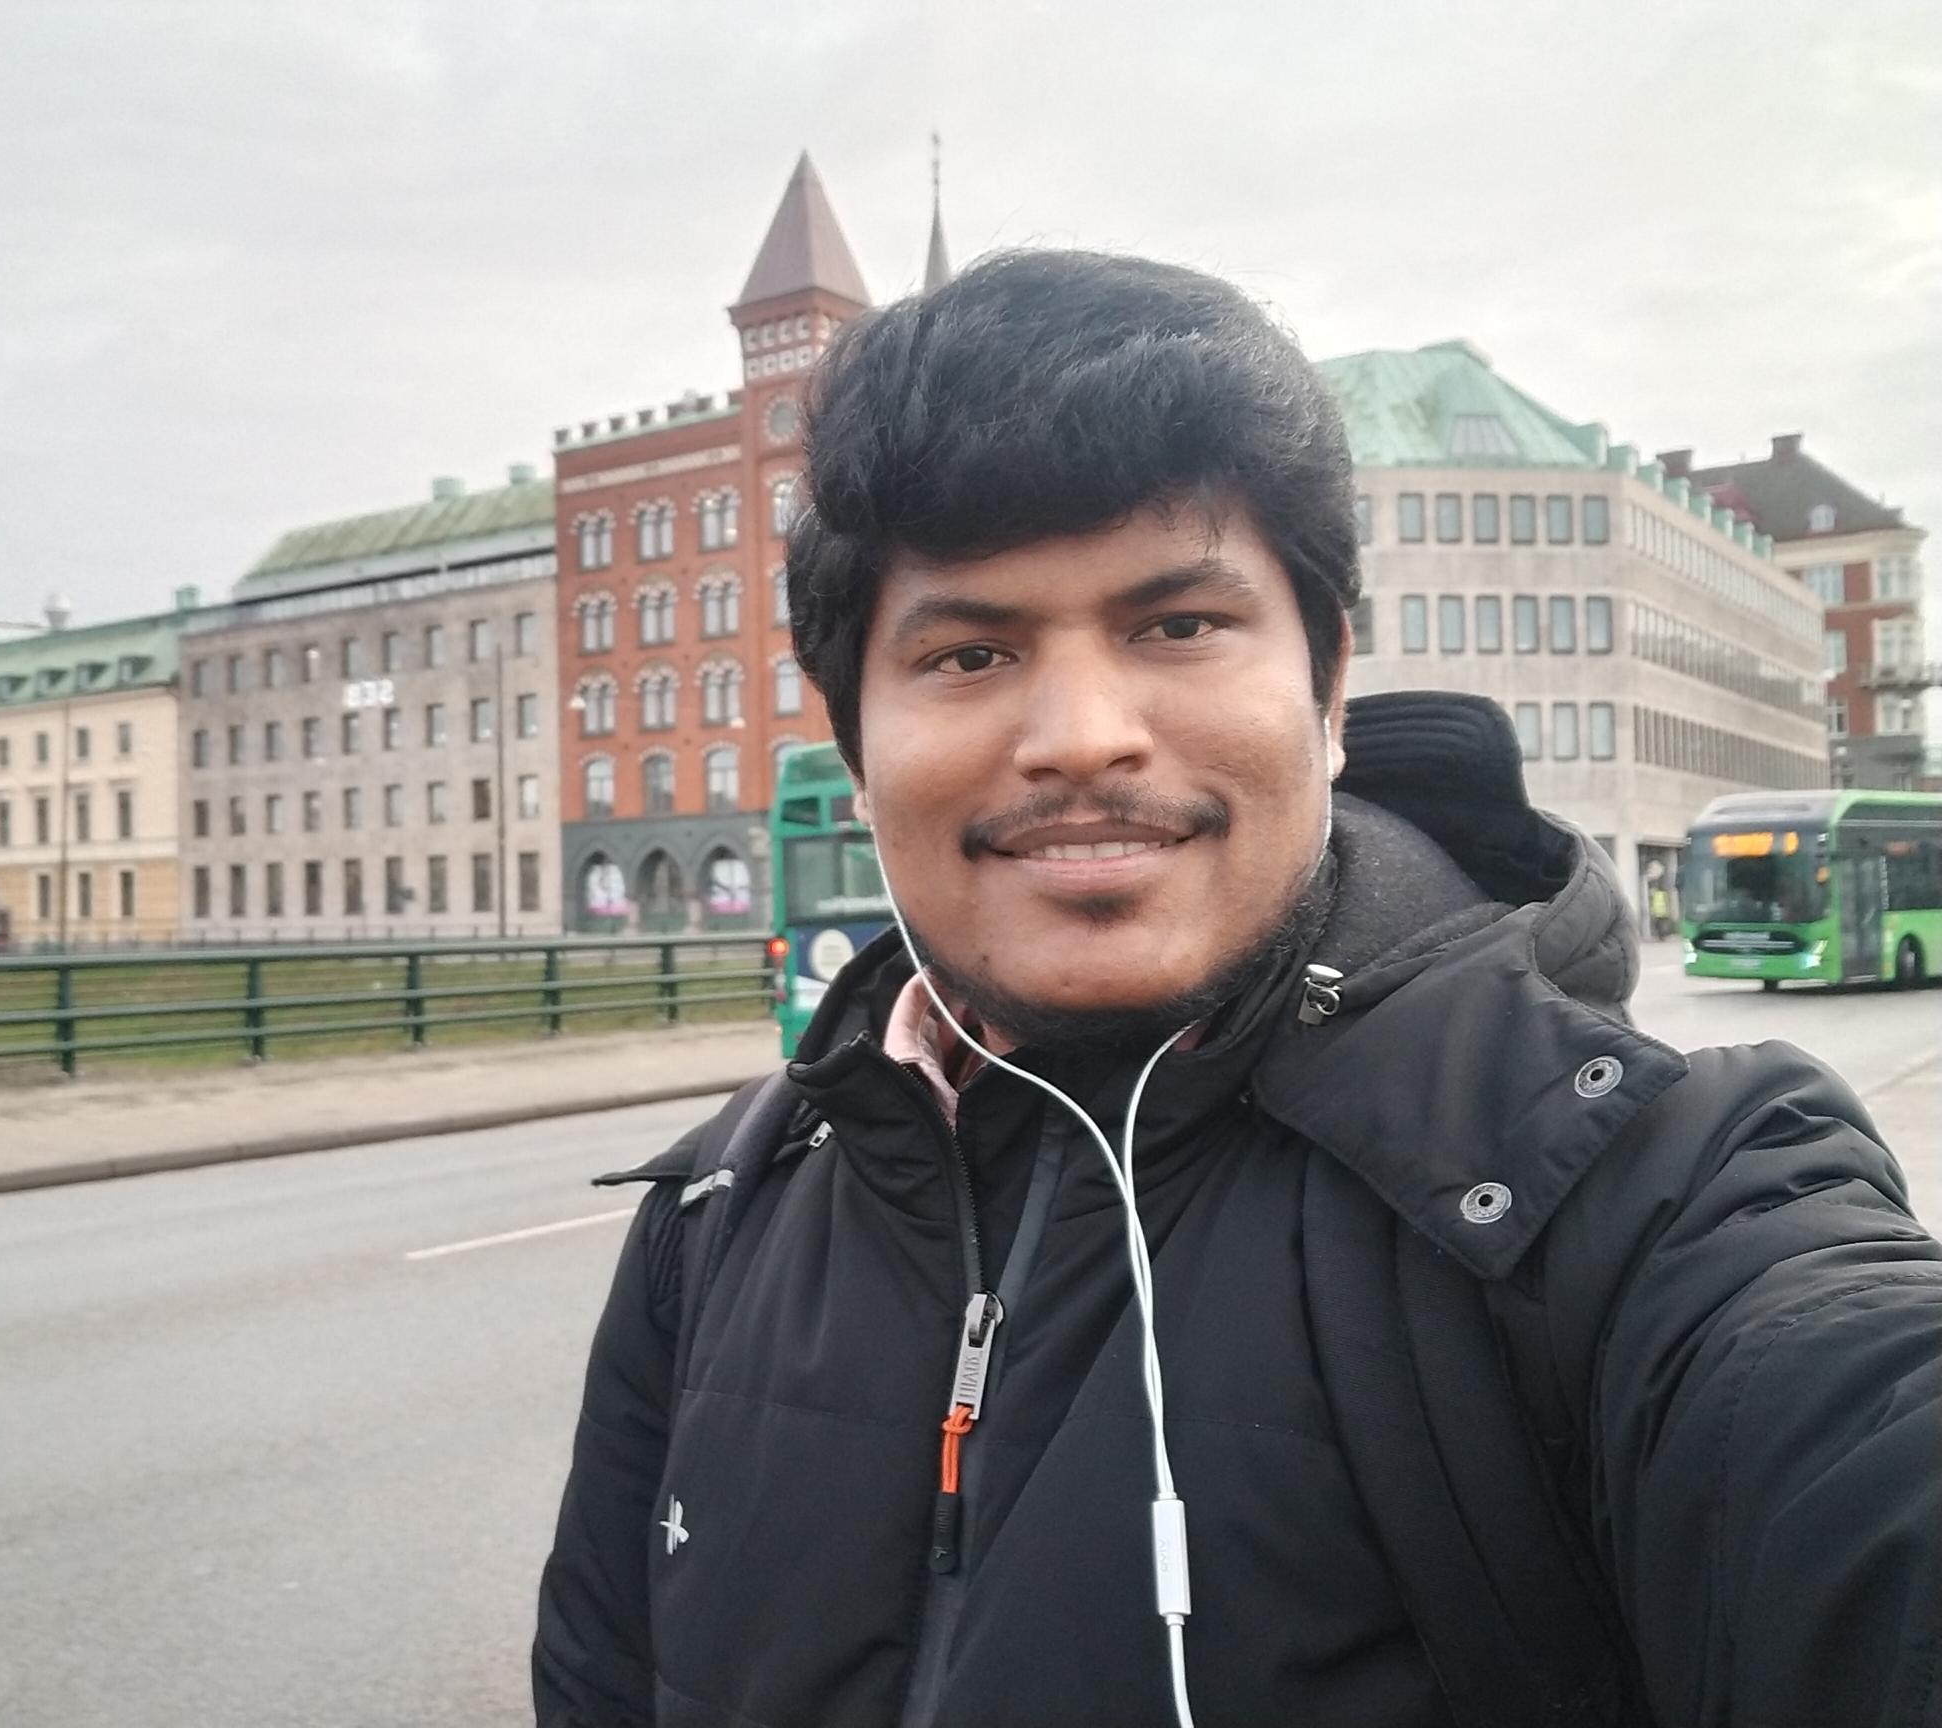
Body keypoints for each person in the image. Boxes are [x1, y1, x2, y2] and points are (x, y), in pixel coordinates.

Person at [532, 252, 1941, 1727]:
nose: (1082, 735)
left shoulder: (1639, 1192)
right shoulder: (717, 1217)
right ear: (859, 744)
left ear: (1328, 690)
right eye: (970, 651)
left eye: (1179, 626)